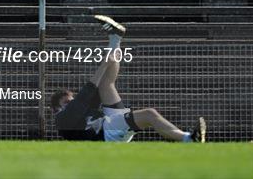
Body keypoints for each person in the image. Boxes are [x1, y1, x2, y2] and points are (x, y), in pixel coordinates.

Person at [51, 15, 206, 143]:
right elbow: (85, 94)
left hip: (108, 123)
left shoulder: (77, 109)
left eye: (71, 99)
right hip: (106, 135)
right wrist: (105, 64)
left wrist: (108, 61)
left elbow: (93, 90)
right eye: (66, 101)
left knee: (106, 83)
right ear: (56, 109)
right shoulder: (62, 119)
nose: (70, 101)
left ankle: (115, 38)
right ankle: (189, 139)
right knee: (149, 114)